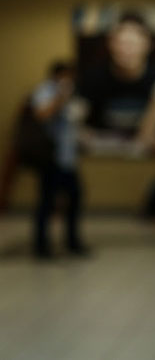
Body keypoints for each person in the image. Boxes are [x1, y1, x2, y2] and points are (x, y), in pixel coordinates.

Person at [79, 10, 155, 150]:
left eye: (133, 43)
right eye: (121, 42)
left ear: (148, 44)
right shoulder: (93, 77)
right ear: (110, 44)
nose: (126, 50)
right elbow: (77, 118)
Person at [29, 62, 88, 259]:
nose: (69, 80)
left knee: (74, 199)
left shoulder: (71, 95)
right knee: (46, 202)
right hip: (50, 157)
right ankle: (41, 246)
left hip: (68, 157)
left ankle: (72, 242)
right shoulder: (44, 91)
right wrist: (60, 98)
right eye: (66, 76)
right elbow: (41, 115)